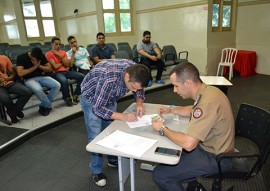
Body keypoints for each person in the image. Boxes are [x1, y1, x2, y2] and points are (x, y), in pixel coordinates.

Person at [151, 62, 235, 191]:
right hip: (215, 147)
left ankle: (190, 182)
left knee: (161, 175)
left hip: (217, 157)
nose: (174, 90)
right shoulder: (208, 91)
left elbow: (189, 144)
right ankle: (195, 186)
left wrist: (162, 129)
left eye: (176, 86)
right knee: (172, 153)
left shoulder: (206, 103)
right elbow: (194, 109)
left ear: (188, 83)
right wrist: (172, 110)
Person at [80, 59, 150, 187]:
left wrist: (139, 103)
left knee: (112, 129)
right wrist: (122, 116)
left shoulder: (136, 70)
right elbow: (98, 108)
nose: (134, 91)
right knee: (95, 135)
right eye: (133, 87)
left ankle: (112, 159)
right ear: (127, 76)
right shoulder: (109, 79)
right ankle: (96, 171)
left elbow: (139, 89)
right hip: (91, 98)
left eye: (137, 88)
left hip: (110, 96)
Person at [16, 47, 61, 116]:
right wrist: (34, 67)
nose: (37, 59)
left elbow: (49, 69)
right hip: (29, 79)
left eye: (38, 59)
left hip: (41, 77)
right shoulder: (21, 57)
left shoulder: (40, 56)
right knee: (38, 89)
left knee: (57, 85)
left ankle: (44, 105)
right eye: (35, 58)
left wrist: (38, 65)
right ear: (31, 55)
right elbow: (20, 73)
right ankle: (48, 106)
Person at [46, 37, 85, 106]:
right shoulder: (49, 54)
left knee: (82, 76)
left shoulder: (63, 52)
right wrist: (62, 62)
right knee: (64, 81)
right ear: (52, 44)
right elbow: (55, 67)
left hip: (66, 71)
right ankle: (66, 98)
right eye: (56, 44)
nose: (58, 46)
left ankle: (75, 94)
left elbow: (67, 64)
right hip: (56, 73)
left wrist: (59, 55)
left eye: (59, 44)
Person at [0, 55, 32, 123]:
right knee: (5, 99)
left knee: (27, 92)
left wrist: (7, 79)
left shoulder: (4, 58)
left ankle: (13, 112)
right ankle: (15, 112)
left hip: (9, 82)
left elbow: (13, 74)